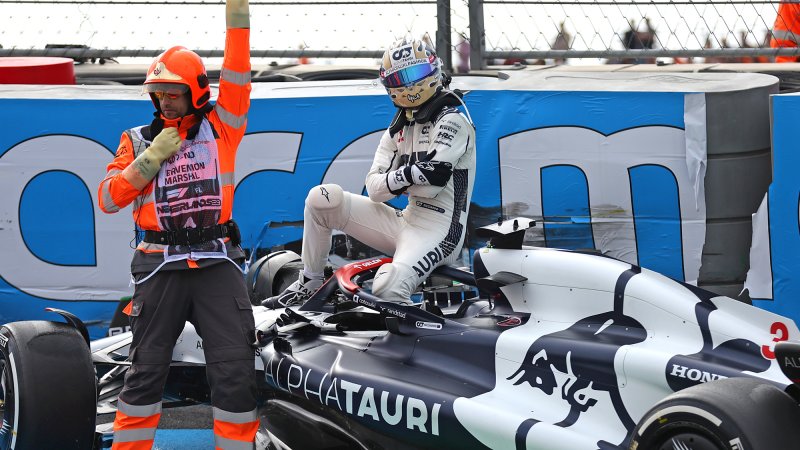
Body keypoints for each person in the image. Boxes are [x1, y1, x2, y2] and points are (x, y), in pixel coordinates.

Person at [97, 0, 257, 448]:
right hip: (157, 265)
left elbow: (238, 70)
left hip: (216, 262)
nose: (164, 101)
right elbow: (108, 198)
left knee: (235, 371)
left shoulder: (224, 125)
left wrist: (237, 16)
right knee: (144, 372)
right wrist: (150, 159)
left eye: (173, 93)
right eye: (158, 94)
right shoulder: (137, 140)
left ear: (196, 92)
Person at [264, 36, 476, 308]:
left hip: (440, 233)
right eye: (402, 77)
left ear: (433, 69)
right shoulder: (398, 128)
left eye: (415, 73)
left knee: (387, 288)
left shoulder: (453, 121)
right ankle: (311, 281)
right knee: (322, 199)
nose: (410, 84)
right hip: (405, 221)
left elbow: (433, 183)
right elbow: (375, 190)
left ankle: (423, 337)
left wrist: (398, 180)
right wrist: (412, 175)